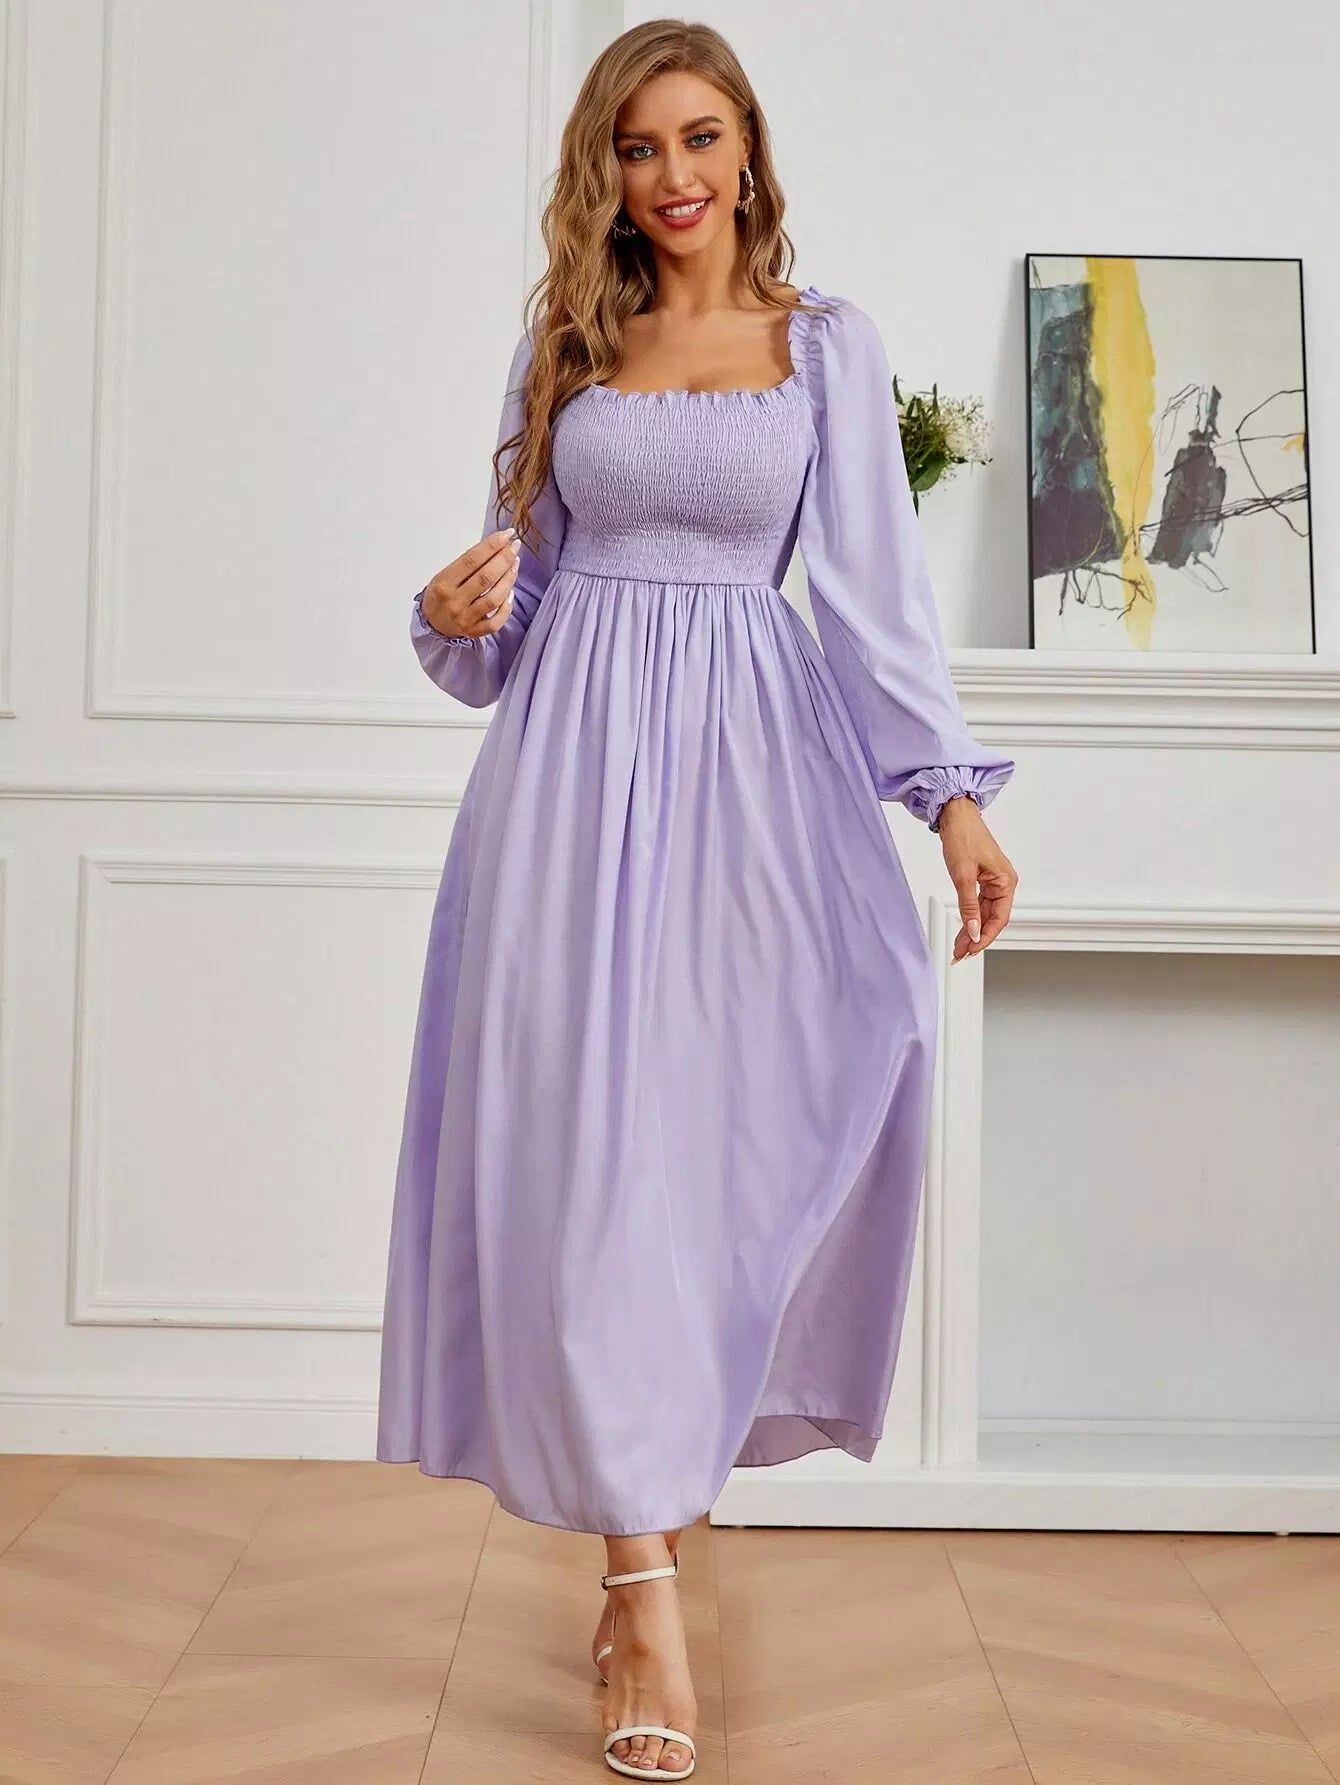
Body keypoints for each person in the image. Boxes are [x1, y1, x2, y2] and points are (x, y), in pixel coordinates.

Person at [376, 18, 1018, 1780]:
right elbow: (504, 619)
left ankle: (657, 1506)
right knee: (587, 1170)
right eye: (640, 145)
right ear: (607, 167)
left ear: (748, 153)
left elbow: (876, 601)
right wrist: (449, 608)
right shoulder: (566, 347)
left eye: (701, 138)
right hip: (567, 788)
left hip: (753, 784)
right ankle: (643, 1588)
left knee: (713, 1159)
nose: (673, 176)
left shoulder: (824, 349)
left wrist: (953, 803)